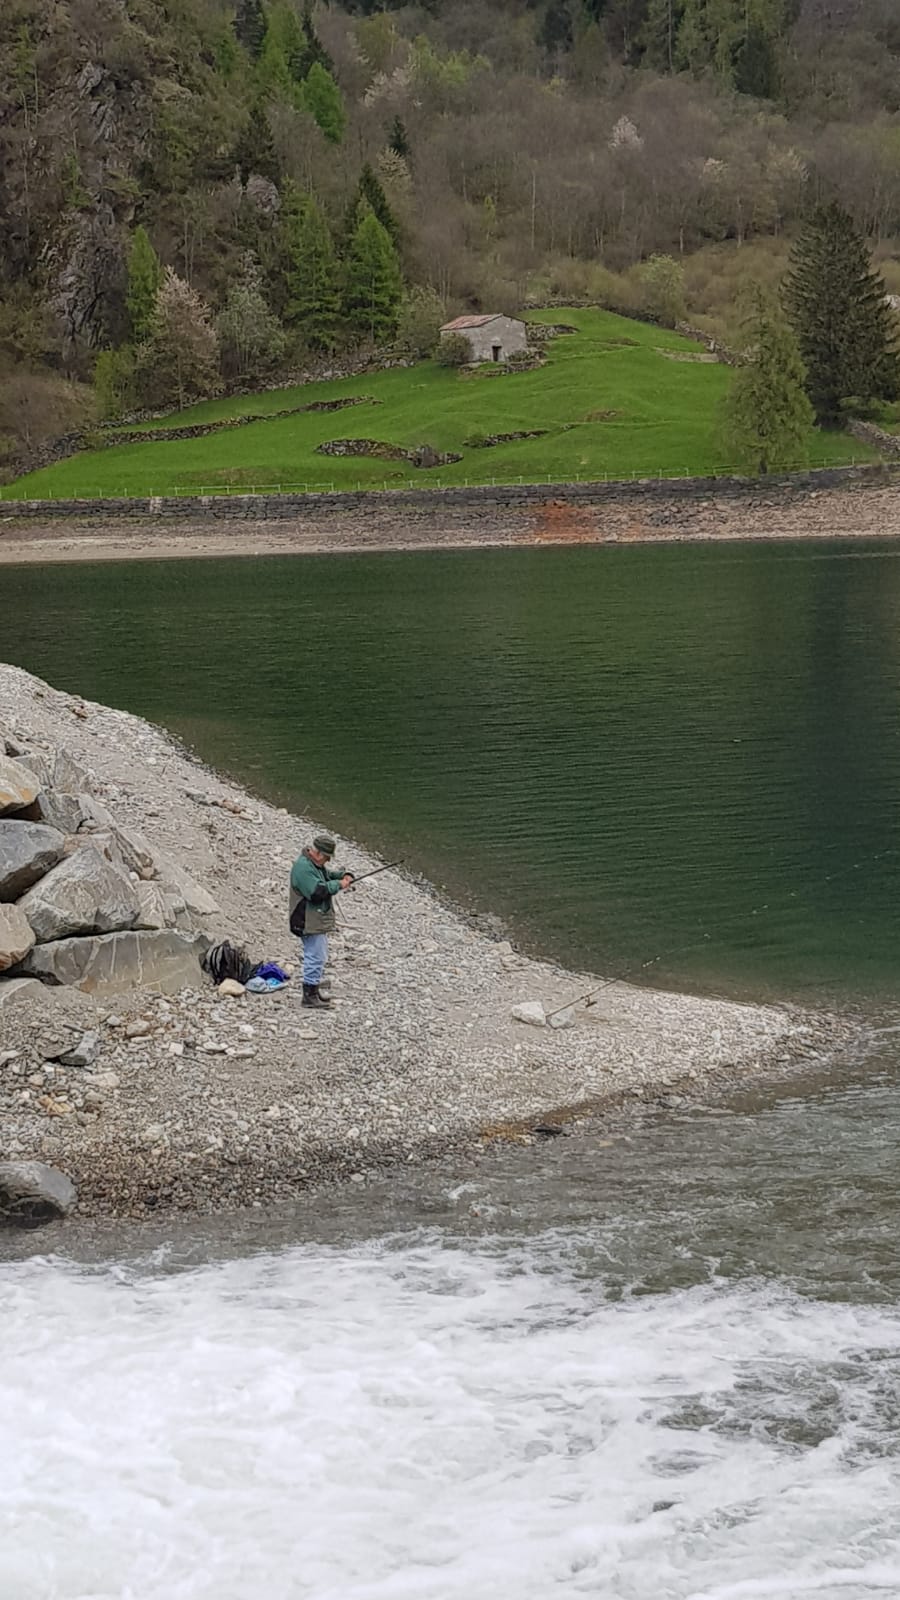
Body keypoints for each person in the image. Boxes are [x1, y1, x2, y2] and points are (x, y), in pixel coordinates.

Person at [289, 834, 353, 1008]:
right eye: (327, 857)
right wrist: (339, 884)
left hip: (314, 919)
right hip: (307, 920)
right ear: (318, 853)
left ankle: (314, 991)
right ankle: (309, 997)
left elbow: (326, 875)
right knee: (314, 956)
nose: (328, 861)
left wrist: (343, 876)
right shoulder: (303, 868)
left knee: (318, 955)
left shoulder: (313, 864)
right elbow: (317, 892)